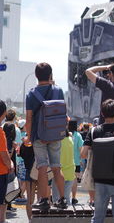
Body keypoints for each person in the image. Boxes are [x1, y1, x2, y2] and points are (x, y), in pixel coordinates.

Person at [25, 62, 66, 210]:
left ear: (36, 76)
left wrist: (29, 137)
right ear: (50, 75)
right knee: (56, 166)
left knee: (42, 167)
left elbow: (29, 118)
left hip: (39, 135)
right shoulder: (59, 90)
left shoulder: (31, 94)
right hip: (56, 134)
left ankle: (44, 199)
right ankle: (62, 199)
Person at [52, 128, 75, 205]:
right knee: (67, 198)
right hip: (70, 172)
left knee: (56, 199)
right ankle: (69, 216)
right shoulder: (70, 140)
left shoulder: (56, 142)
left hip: (58, 173)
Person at [0, 100, 14, 223]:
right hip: (1, 171)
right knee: (2, 199)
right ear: (3, 113)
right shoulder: (0, 132)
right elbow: (4, 155)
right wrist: (10, 165)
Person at [68, 120, 83, 204]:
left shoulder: (65, 135)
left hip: (65, 161)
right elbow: (81, 148)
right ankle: (73, 197)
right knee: (74, 179)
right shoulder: (78, 135)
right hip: (76, 161)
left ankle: (65, 196)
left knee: (66, 179)